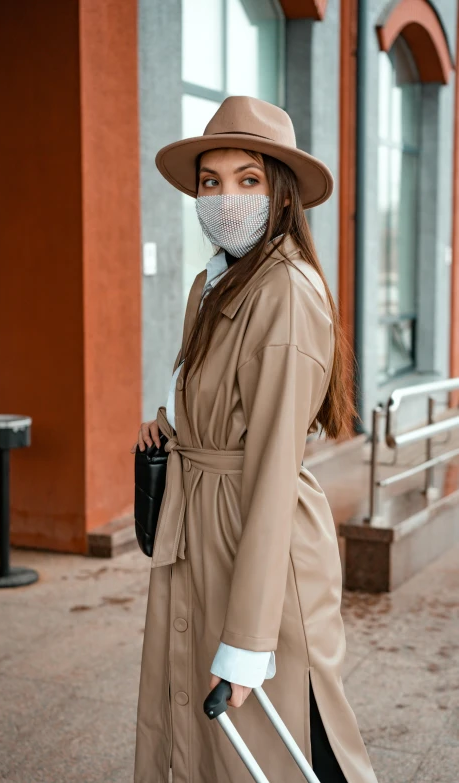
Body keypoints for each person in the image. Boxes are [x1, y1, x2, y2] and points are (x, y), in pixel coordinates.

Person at [132, 95, 378, 783]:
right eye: (211, 181)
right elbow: (224, 410)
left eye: (248, 179)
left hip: (257, 548)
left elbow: (272, 469)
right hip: (204, 532)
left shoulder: (289, 291)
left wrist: (247, 639)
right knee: (206, 742)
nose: (224, 197)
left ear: (282, 194)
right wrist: (174, 432)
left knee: (294, 744)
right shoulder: (212, 285)